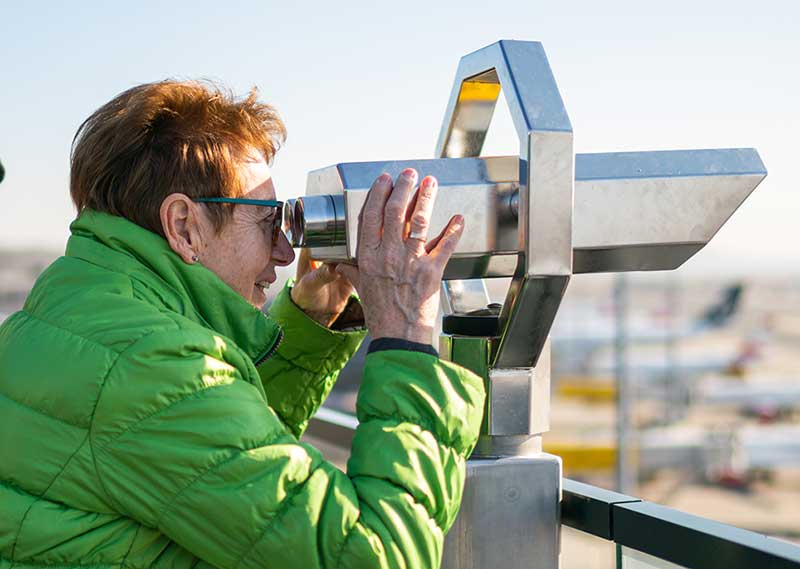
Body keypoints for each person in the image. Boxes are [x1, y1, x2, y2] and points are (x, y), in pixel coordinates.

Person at [0, 80, 485, 568]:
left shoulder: (76, 310)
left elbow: (209, 466)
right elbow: (371, 555)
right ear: (184, 226)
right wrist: (406, 335)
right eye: (267, 220)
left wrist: (310, 329)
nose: (285, 250)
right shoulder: (154, 367)